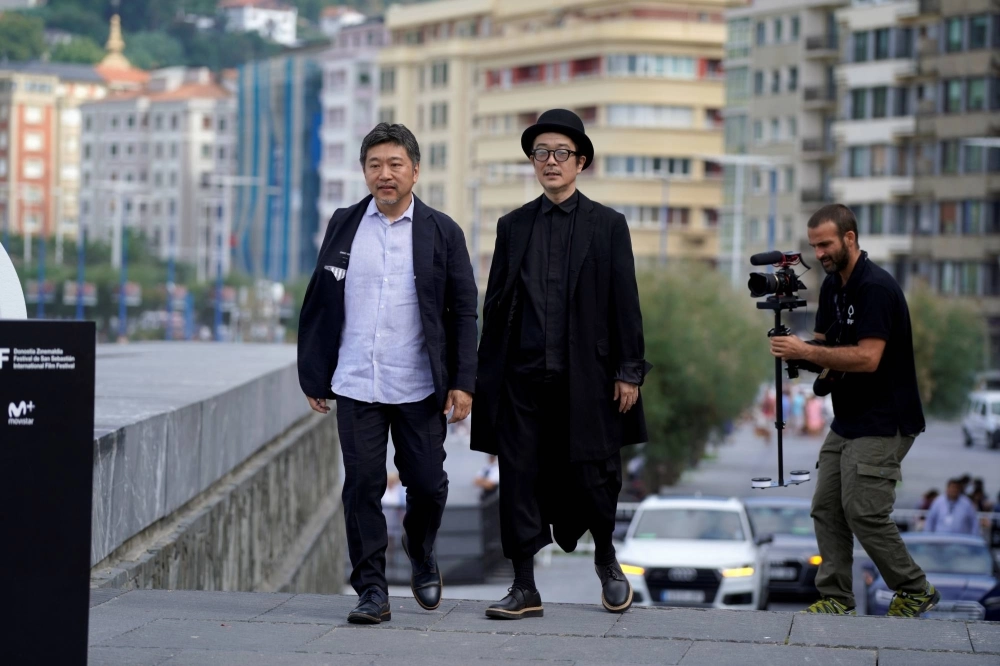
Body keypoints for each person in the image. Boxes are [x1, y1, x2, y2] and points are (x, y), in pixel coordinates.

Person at [471, 108, 651, 619]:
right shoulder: (512, 226)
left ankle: (607, 562)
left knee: (596, 475)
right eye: (541, 153)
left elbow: (625, 302)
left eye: (561, 153)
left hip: (588, 380)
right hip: (521, 383)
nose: (550, 161)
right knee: (518, 479)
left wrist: (629, 370)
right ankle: (524, 586)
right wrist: (483, 378)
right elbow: (496, 307)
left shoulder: (608, 226)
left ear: (581, 162)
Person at [297, 123, 478, 624]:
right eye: (375, 165)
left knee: (429, 484)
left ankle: (420, 549)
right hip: (357, 382)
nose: (385, 174)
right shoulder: (344, 224)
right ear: (364, 171)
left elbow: (464, 311)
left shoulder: (443, 231)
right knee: (362, 486)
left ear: (415, 171)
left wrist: (463, 382)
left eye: (395, 164)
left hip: (419, 385)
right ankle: (372, 591)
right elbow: (320, 300)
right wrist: (314, 374)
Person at [770, 203, 939, 618]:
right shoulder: (832, 287)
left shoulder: (875, 288)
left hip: (885, 420)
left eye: (825, 244)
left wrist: (806, 351)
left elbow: (867, 358)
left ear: (849, 238)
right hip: (848, 420)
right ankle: (836, 597)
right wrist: (796, 350)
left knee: (864, 510)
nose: (819, 254)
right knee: (826, 507)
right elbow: (825, 347)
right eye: (814, 246)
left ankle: (915, 589)